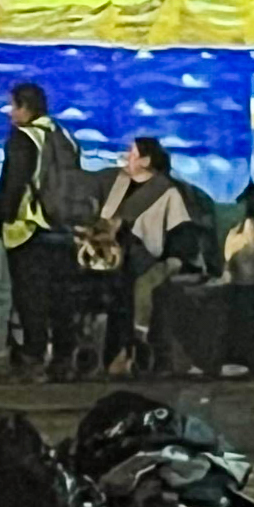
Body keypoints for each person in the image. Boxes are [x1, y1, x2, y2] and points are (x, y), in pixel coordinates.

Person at [0, 80, 86, 379]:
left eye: (13, 106)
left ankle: (34, 359)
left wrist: (3, 219)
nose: (10, 113)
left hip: (30, 228)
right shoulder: (65, 137)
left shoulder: (24, 139)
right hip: (64, 228)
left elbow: (13, 184)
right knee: (62, 299)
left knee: (30, 298)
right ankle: (64, 359)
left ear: (25, 108)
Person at [95, 136, 200, 371]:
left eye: (132, 154)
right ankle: (111, 355)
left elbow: (179, 232)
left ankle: (133, 349)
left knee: (133, 289)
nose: (126, 158)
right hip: (113, 256)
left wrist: (176, 260)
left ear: (145, 160)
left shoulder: (166, 191)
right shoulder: (118, 184)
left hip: (146, 257)